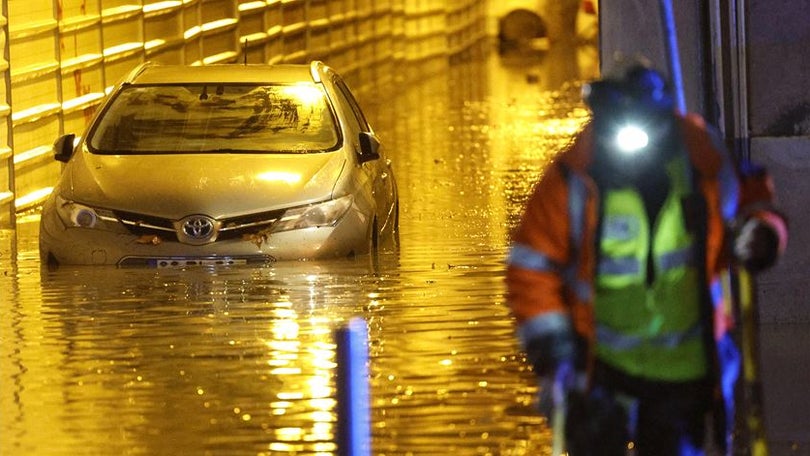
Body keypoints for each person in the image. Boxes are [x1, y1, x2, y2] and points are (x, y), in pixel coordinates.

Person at [505, 61, 788, 456]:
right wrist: (554, 351)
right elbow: (531, 267)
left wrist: (763, 232)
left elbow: (750, 197)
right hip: (601, 373)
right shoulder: (575, 177)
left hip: (685, 372)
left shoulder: (700, 160)